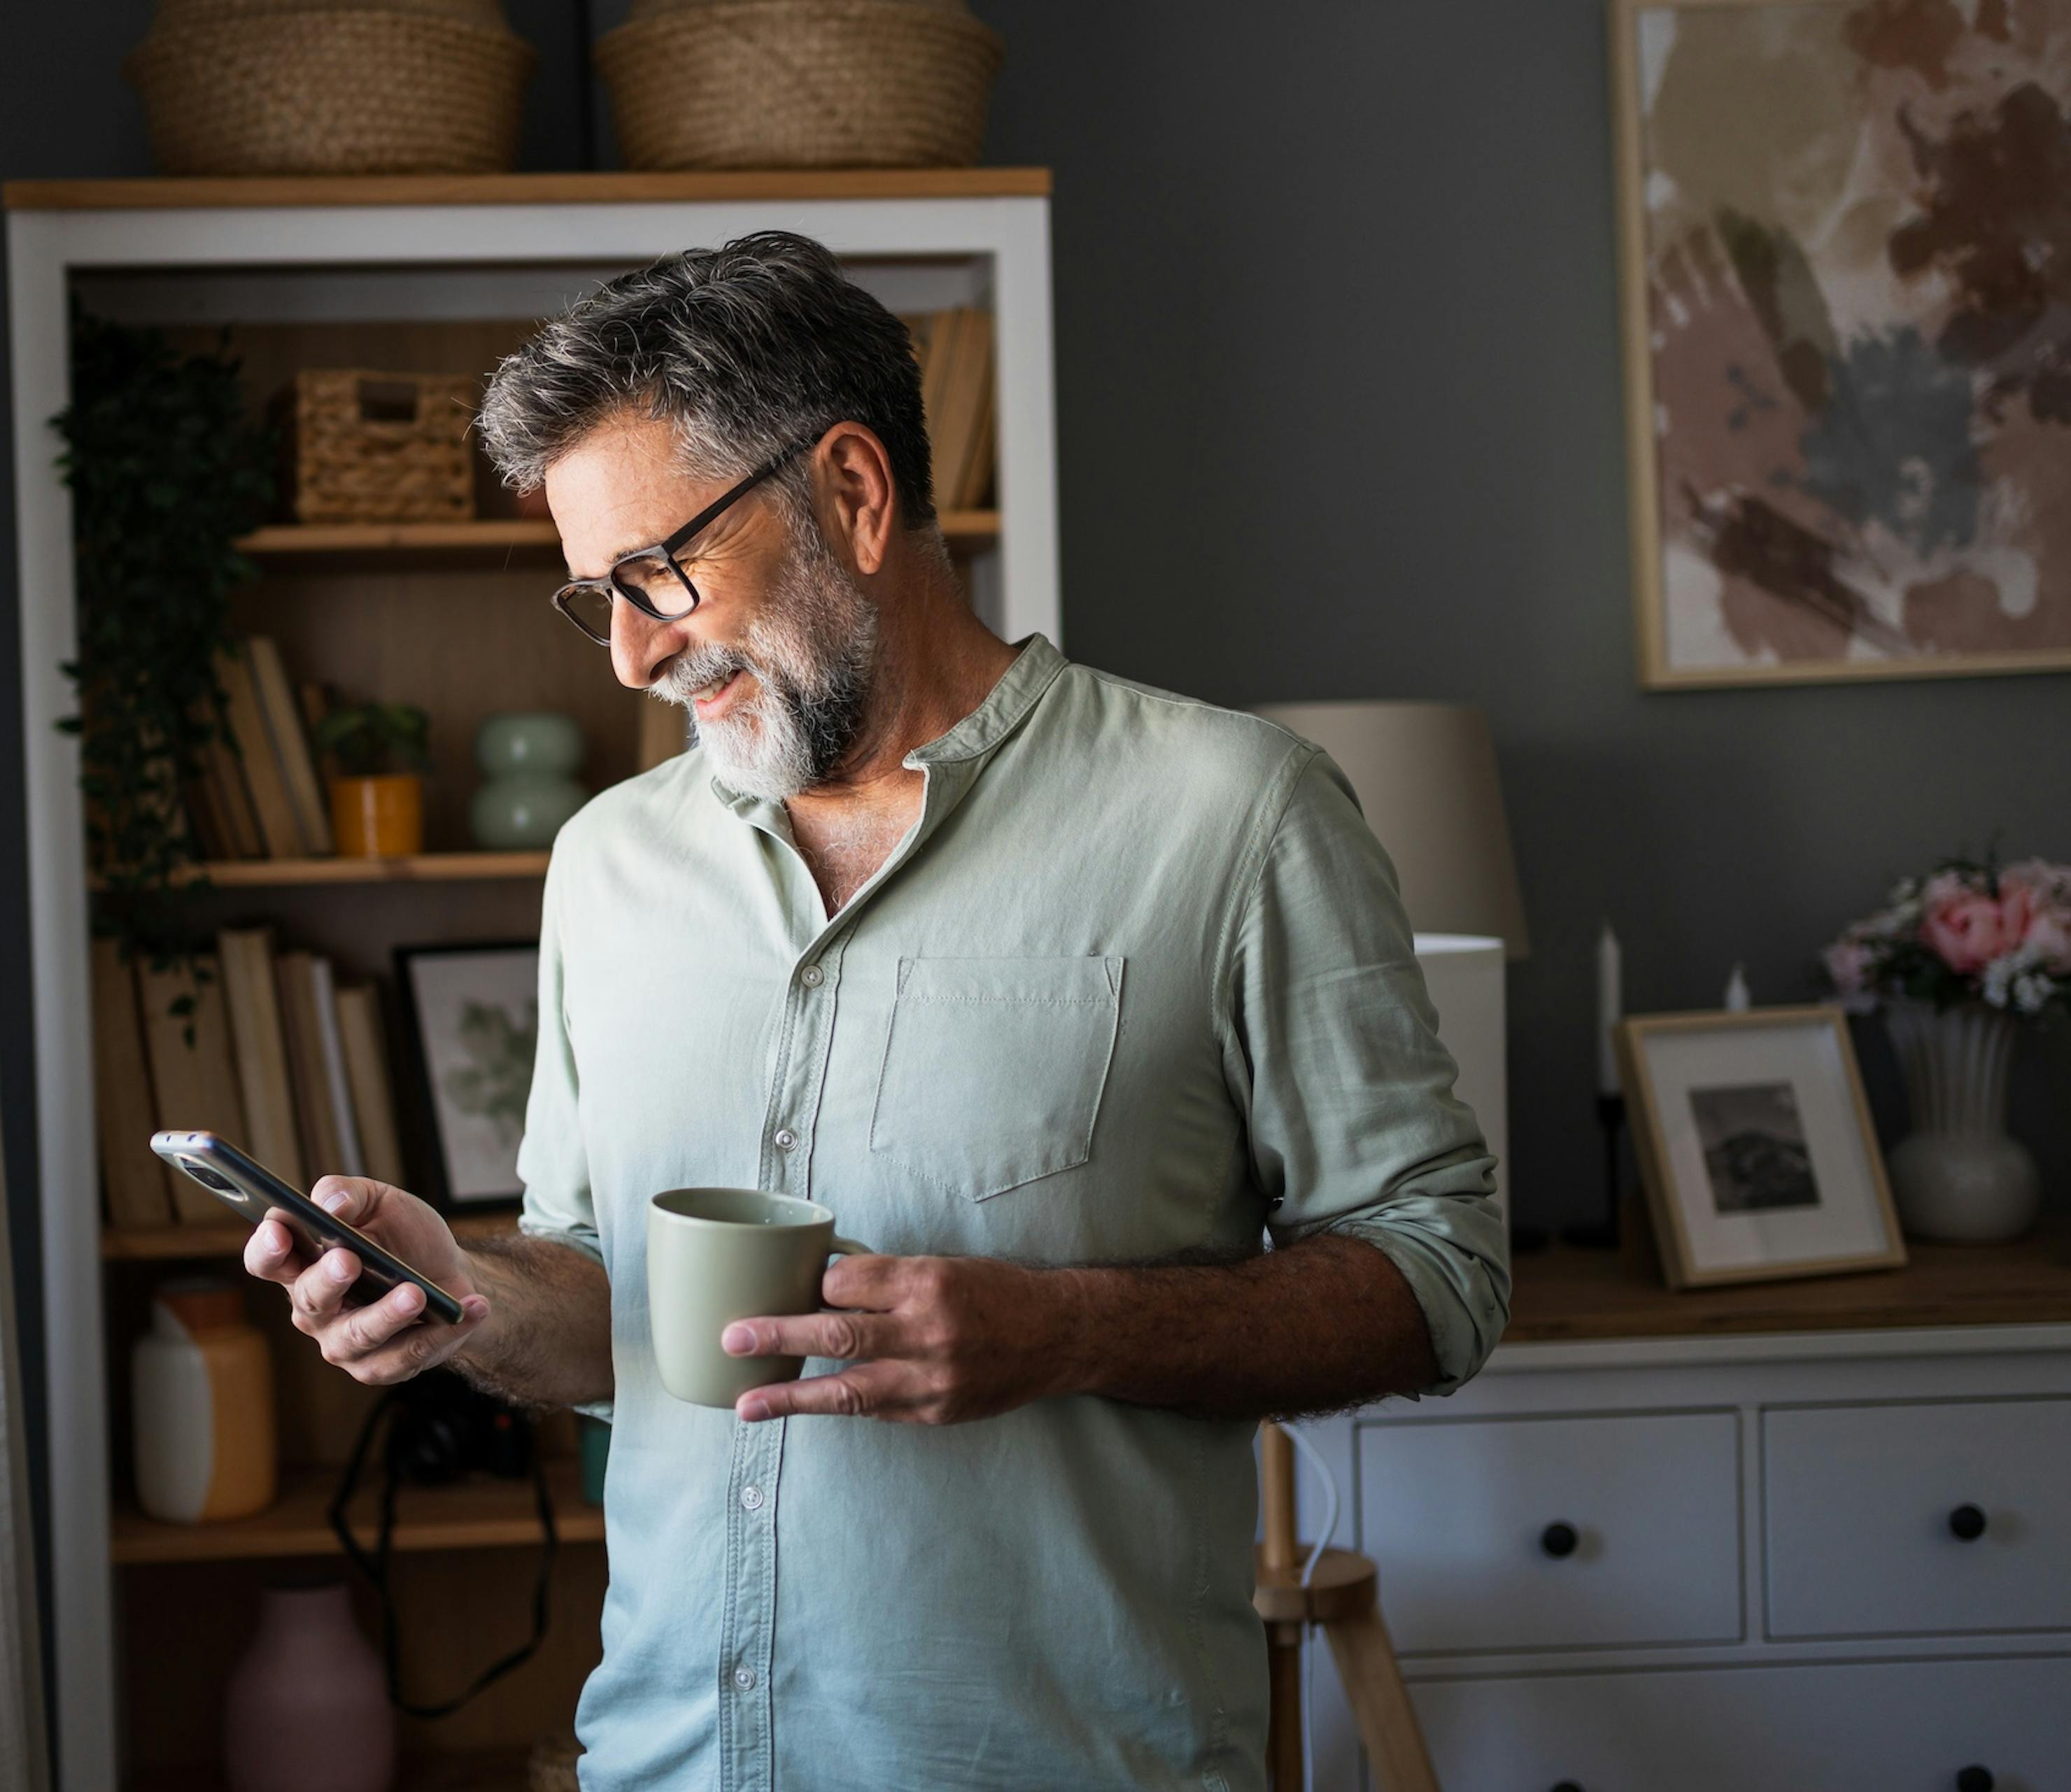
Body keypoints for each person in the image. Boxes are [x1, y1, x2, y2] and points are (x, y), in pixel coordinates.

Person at [246, 231, 1508, 1790]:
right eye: (597, 600)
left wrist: (1066, 1332)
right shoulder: (604, 866)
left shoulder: (1237, 815)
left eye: (658, 572)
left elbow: (1440, 1274)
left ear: (852, 494)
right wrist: (461, 1300)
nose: (634, 653)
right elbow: (607, 1298)